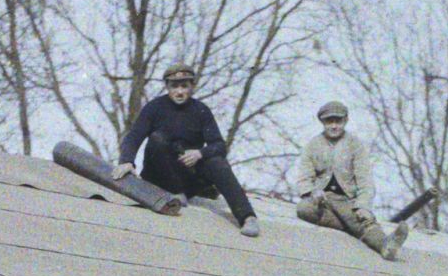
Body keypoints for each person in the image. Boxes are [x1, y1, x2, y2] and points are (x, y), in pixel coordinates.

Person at [113, 64, 261, 237]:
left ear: (192, 86)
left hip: (186, 176)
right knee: (157, 139)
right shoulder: (154, 107)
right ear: (167, 87)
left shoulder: (201, 110)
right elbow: (134, 136)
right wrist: (127, 161)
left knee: (216, 161)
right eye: (174, 86)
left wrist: (200, 153)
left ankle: (247, 217)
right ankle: (175, 193)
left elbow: (219, 145)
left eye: (184, 86)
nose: (179, 92)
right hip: (159, 175)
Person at [294, 101, 408, 260]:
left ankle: (385, 245)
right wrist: (312, 192)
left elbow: (365, 181)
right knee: (303, 209)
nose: (334, 126)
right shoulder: (313, 145)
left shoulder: (355, 145)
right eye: (329, 122)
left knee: (361, 218)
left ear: (345, 121)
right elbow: (304, 178)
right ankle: (353, 227)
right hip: (322, 202)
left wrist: (363, 206)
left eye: (338, 121)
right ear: (322, 122)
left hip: (347, 201)